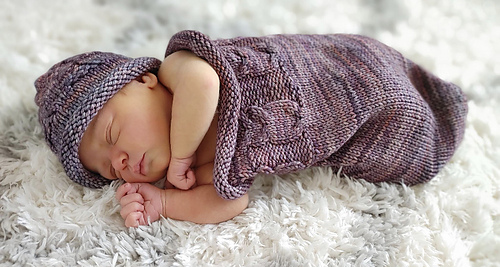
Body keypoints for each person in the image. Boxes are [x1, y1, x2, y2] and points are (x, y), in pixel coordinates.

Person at [34, 30, 468, 227]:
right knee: (397, 138)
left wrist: (182, 155)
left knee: (377, 85)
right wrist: (163, 203)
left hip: (329, 65)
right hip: (352, 127)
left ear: (143, 81)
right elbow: (229, 202)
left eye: (111, 135)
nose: (121, 161)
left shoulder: (177, 68)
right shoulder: (200, 171)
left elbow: (206, 84)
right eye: (110, 170)